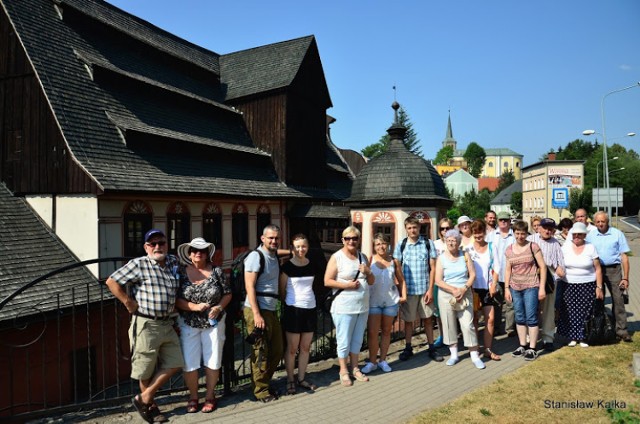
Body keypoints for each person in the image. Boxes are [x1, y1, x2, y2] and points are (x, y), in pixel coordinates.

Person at [105, 229, 183, 423]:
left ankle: (144, 397)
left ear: (167, 244)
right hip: (147, 323)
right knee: (145, 369)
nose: (158, 247)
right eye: (153, 244)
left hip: (167, 322)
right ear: (146, 247)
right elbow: (111, 281)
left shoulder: (173, 261)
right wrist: (127, 302)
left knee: (176, 363)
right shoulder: (139, 264)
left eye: (161, 243)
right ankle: (151, 408)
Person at [175, 237, 231, 414]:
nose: (198, 253)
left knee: (213, 360)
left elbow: (227, 293)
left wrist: (219, 306)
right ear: (189, 254)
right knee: (189, 363)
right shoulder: (181, 273)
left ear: (208, 254)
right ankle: (193, 397)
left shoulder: (216, 271)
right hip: (189, 323)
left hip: (214, 323)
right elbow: (176, 299)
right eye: (194, 250)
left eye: (202, 250)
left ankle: (209, 396)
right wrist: (193, 307)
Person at [324, 226, 375, 386]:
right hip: (344, 307)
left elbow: (372, 282)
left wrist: (368, 271)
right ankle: (343, 370)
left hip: (362, 306)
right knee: (344, 340)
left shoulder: (363, 257)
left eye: (354, 238)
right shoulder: (337, 257)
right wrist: (347, 285)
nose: (351, 241)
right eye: (348, 238)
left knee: (358, 339)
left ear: (359, 240)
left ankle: (355, 368)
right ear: (343, 240)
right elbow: (327, 281)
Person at [394, 217, 443, 363]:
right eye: (409, 228)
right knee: (408, 321)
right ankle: (408, 347)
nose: (412, 230)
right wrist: (400, 288)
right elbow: (397, 267)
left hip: (424, 289)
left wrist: (430, 290)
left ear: (419, 228)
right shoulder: (401, 245)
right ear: (406, 229)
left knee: (428, 319)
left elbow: (433, 268)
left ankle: (431, 347)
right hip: (408, 290)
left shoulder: (427, 244)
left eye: (414, 227)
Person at [243, 225, 284, 402]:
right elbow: (249, 286)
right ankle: (260, 391)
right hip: (256, 309)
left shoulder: (274, 255)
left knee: (278, 349)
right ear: (262, 238)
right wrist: (257, 313)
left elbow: (278, 250)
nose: (273, 241)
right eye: (270, 238)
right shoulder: (255, 257)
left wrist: (295, 250)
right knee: (261, 351)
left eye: (276, 238)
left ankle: (264, 382)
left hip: (271, 309)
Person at [435, 229, 485, 369]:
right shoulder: (441, 258)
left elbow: (472, 275)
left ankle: (474, 355)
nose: (451, 243)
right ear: (445, 241)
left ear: (459, 242)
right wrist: (453, 290)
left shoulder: (465, 255)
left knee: (467, 324)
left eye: (454, 240)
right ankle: (454, 355)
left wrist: (463, 289)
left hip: (464, 293)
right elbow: (438, 280)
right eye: (449, 240)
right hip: (446, 294)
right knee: (449, 324)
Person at [278, 234, 318, 395]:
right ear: (292, 248)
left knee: (305, 347)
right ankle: (290, 379)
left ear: (307, 247)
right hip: (293, 310)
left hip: (310, 308)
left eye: (303, 246)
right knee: (292, 348)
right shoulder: (287, 267)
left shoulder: (312, 264)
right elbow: (282, 290)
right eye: (297, 247)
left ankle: (301, 378)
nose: (301, 249)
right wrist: (288, 303)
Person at [361, 233, 406, 374]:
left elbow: (401, 280)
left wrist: (403, 296)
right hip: (373, 302)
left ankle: (383, 360)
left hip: (390, 302)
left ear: (388, 245)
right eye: (378, 244)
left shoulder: (394, 261)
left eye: (383, 243)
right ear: (374, 246)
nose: (381, 246)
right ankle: (372, 362)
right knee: (373, 333)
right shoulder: (369, 260)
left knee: (386, 332)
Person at [586, 212, 632, 342]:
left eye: (603, 221)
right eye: (598, 222)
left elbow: (624, 256)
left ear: (607, 221)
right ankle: (600, 329)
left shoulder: (617, 234)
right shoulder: (591, 236)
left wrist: (626, 277)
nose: (600, 224)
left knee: (618, 300)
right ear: (595, 223)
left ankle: (621, 330)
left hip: (614, 270)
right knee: (598, 300)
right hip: (597, 271)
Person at [504, 220, 546, 361]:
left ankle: (532, 348)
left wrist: (541, 288)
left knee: (531, 317)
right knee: (519, 317)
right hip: (515, 287)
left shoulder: (533, 246)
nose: (520, 236)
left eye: (522, 233)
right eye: (517, 233)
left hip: (531, 286)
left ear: (526, 233)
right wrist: (506, 288)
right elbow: (508, 269)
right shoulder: (509, 249)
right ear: (514, 233)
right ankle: (522, 345)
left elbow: (543, 267)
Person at [558, 222, 604, 347]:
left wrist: (599, 287)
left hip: (587, 284)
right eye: (574, 234)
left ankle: (584, 337)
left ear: (584, 235)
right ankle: (573, 337)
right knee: (570, 311)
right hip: (569, 284)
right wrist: (558, 270)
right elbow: (557, 263)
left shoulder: (591, 247)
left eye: (580, 234)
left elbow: (598, 268)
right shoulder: (565, 247)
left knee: (586, 312)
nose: (577, 236)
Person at [526, 218, 565, 352]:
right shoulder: (530, 239)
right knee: (531, 309)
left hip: (549, 278)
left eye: (550, 228)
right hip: (531, 276)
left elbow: (560, 262)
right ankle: (527, 338)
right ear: (539, 228)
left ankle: (548, 338)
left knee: (548, 310)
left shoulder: (555, 243)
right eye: (545, 228)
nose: (547, 231)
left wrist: (560, 269)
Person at [467, 220, 500, 361]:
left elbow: (497, 268)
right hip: (473, 289)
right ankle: (475, 348)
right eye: (475, 232)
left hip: (487, 288)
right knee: (473, 319)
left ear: (484, 232)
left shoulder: (492, 247)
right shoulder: (468, 249)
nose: (478, 235)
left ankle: (487, 348)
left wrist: (493, 285)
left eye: (480, 232)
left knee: (490, 319)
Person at [490, 211, 516, 337]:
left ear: (510, 221)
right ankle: (496, 327)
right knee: (496, 303)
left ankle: (510, 329)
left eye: (506, 220)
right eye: (501, 220)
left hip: (512, 274)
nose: (503, 222)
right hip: (496, 274)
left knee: (510, 303)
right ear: (498, 221)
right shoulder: (491, 235)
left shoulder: (515, 235)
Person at [432, 218, 453, 347]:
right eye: (442, 228)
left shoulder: (455, 242)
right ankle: (442, 335)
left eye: (447, 228)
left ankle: (454, 334)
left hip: (452, 280)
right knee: (439, 311)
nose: (445, 231)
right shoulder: (435, 244)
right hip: (439, 281)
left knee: (454, 309)